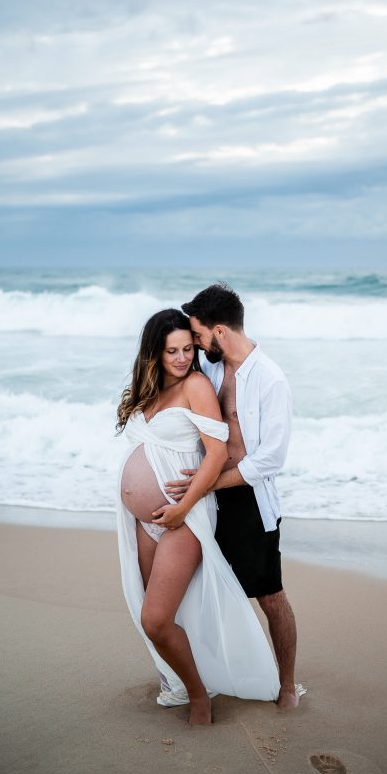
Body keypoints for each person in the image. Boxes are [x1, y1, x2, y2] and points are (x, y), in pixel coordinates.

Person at [115, 308, 279, 725]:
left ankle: (199, 697)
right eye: (172, 351)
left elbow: (218, 452)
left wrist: (182, 508)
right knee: (159, 613)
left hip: (184, 517)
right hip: (145, 520)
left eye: (188, 348)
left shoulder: (196, 386)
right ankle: (185, 681)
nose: (183, 358)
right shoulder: (147, 390)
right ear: (153, 353)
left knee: (155, 619)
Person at [155, 284, 303, 709]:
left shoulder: (269, 378)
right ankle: (212, 675)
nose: (195, 346)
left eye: (198, 337)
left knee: (270, 595)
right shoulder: (211, 371)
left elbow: (271, 458)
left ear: (219, 331)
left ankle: (288, 685)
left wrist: (208, 484)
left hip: (248, 501)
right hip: (206, 498)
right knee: (200, 590)